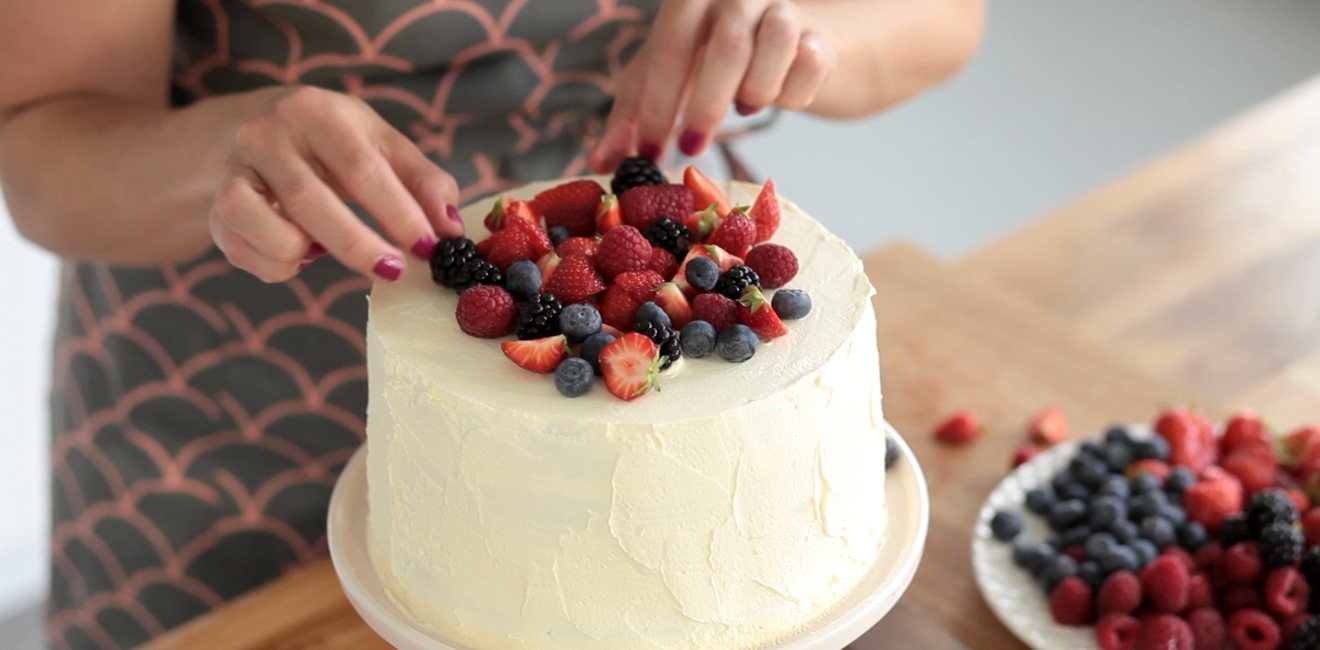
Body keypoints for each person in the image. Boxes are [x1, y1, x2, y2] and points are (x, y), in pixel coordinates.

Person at [0, 1, 983, 647]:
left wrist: (802, 31)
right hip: (222, 407)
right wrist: (219, 153)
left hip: (652, 385)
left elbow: (939, 17)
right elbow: (41, 140)